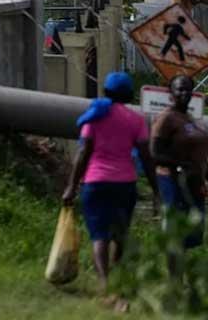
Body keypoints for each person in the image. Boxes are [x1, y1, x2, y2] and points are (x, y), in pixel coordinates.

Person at [62, 72, 160, 296]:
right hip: (125, 184)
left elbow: (83, 151)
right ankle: (116, 274)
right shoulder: (136, 120)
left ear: (106, 92)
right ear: (129, 95)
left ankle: (105, 282)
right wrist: (156, 190)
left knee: (99, 235)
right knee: (120, 233)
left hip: (96, 182)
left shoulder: (95, 116)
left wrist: (71, 186)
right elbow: (146, 157)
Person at [151, 75, 208, 266]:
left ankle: (181, 276)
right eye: (179, 89)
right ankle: (175, 282)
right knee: (176, 233)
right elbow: (155, 154)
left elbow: (200, 157)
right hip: (173, 182)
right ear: (171, 93)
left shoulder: (190, 119)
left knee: (193, 234)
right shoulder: (166, 118)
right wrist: (181, 164)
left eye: (187, 89)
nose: (183, 93)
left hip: (194, 183)